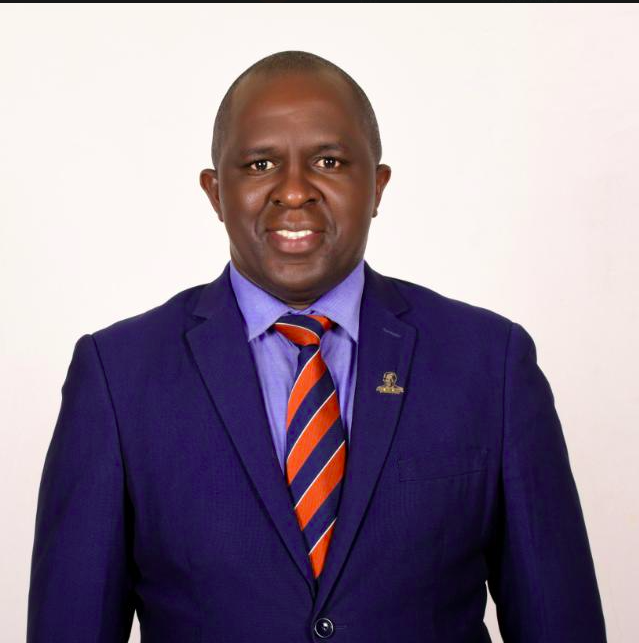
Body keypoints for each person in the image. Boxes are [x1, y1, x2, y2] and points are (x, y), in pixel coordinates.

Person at [27, 50, 607, 642]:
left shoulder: (490, 363)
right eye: (259, 165)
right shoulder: (118, 376)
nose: (294, 191)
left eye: (328, 161)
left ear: (377, 185)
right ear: (215, 193)